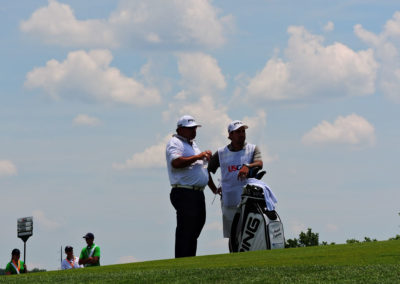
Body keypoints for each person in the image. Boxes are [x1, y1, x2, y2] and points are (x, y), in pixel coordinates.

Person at [208, 120, 263, 244]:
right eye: (238, 132)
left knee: (251, 236)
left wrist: (248, 166)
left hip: (250, 200)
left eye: (243, 131)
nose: (242, 134)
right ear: (230, 135)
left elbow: (259, 163)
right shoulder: (221, 153)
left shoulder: (252, 149)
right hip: (229, 201)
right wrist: (213, 189)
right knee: (234, 237)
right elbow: (206, 171)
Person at [166, 115, 212, 258]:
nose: (194, 131)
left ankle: (189, 258)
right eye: (190, 128)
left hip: (197, 193)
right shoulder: (175, 142)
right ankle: (182, 260)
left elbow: (202, 169)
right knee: (186, 229)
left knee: (197, 225)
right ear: (180, 129)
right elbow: (176, 162)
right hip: (184, 191)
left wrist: (214, 188)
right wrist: (198, 157)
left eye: (195, 128)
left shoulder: (192, 144)